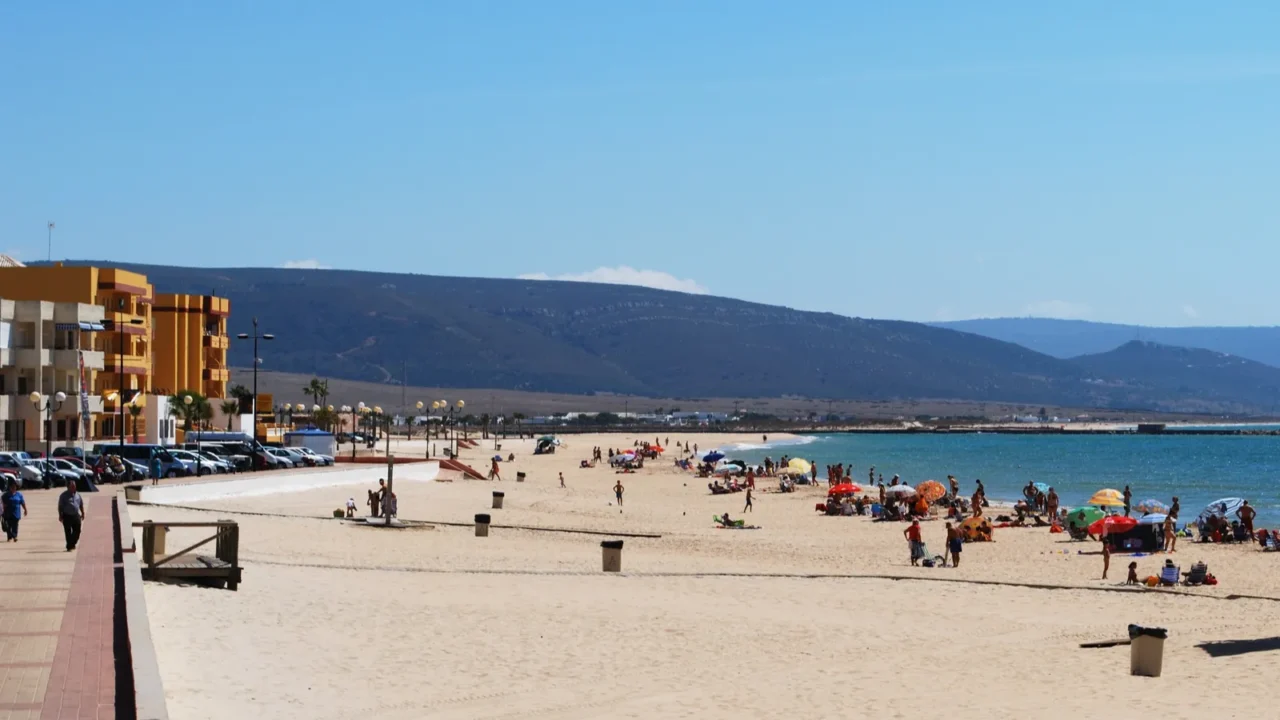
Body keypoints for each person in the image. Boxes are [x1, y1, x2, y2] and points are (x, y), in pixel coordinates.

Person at [58, 480, 85, 552]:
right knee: (68, 532)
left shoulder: (78, 495)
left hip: (76, 515)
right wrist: (60, 515)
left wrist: (83, 513)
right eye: (72, 486)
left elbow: (81, 504)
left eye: (74, 486)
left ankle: (72, 543)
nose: (74, 487)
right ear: (68, 487)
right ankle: (69, 546)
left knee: (78, 531)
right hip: (67, 515)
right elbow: (60, 506)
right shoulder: (63, 496)